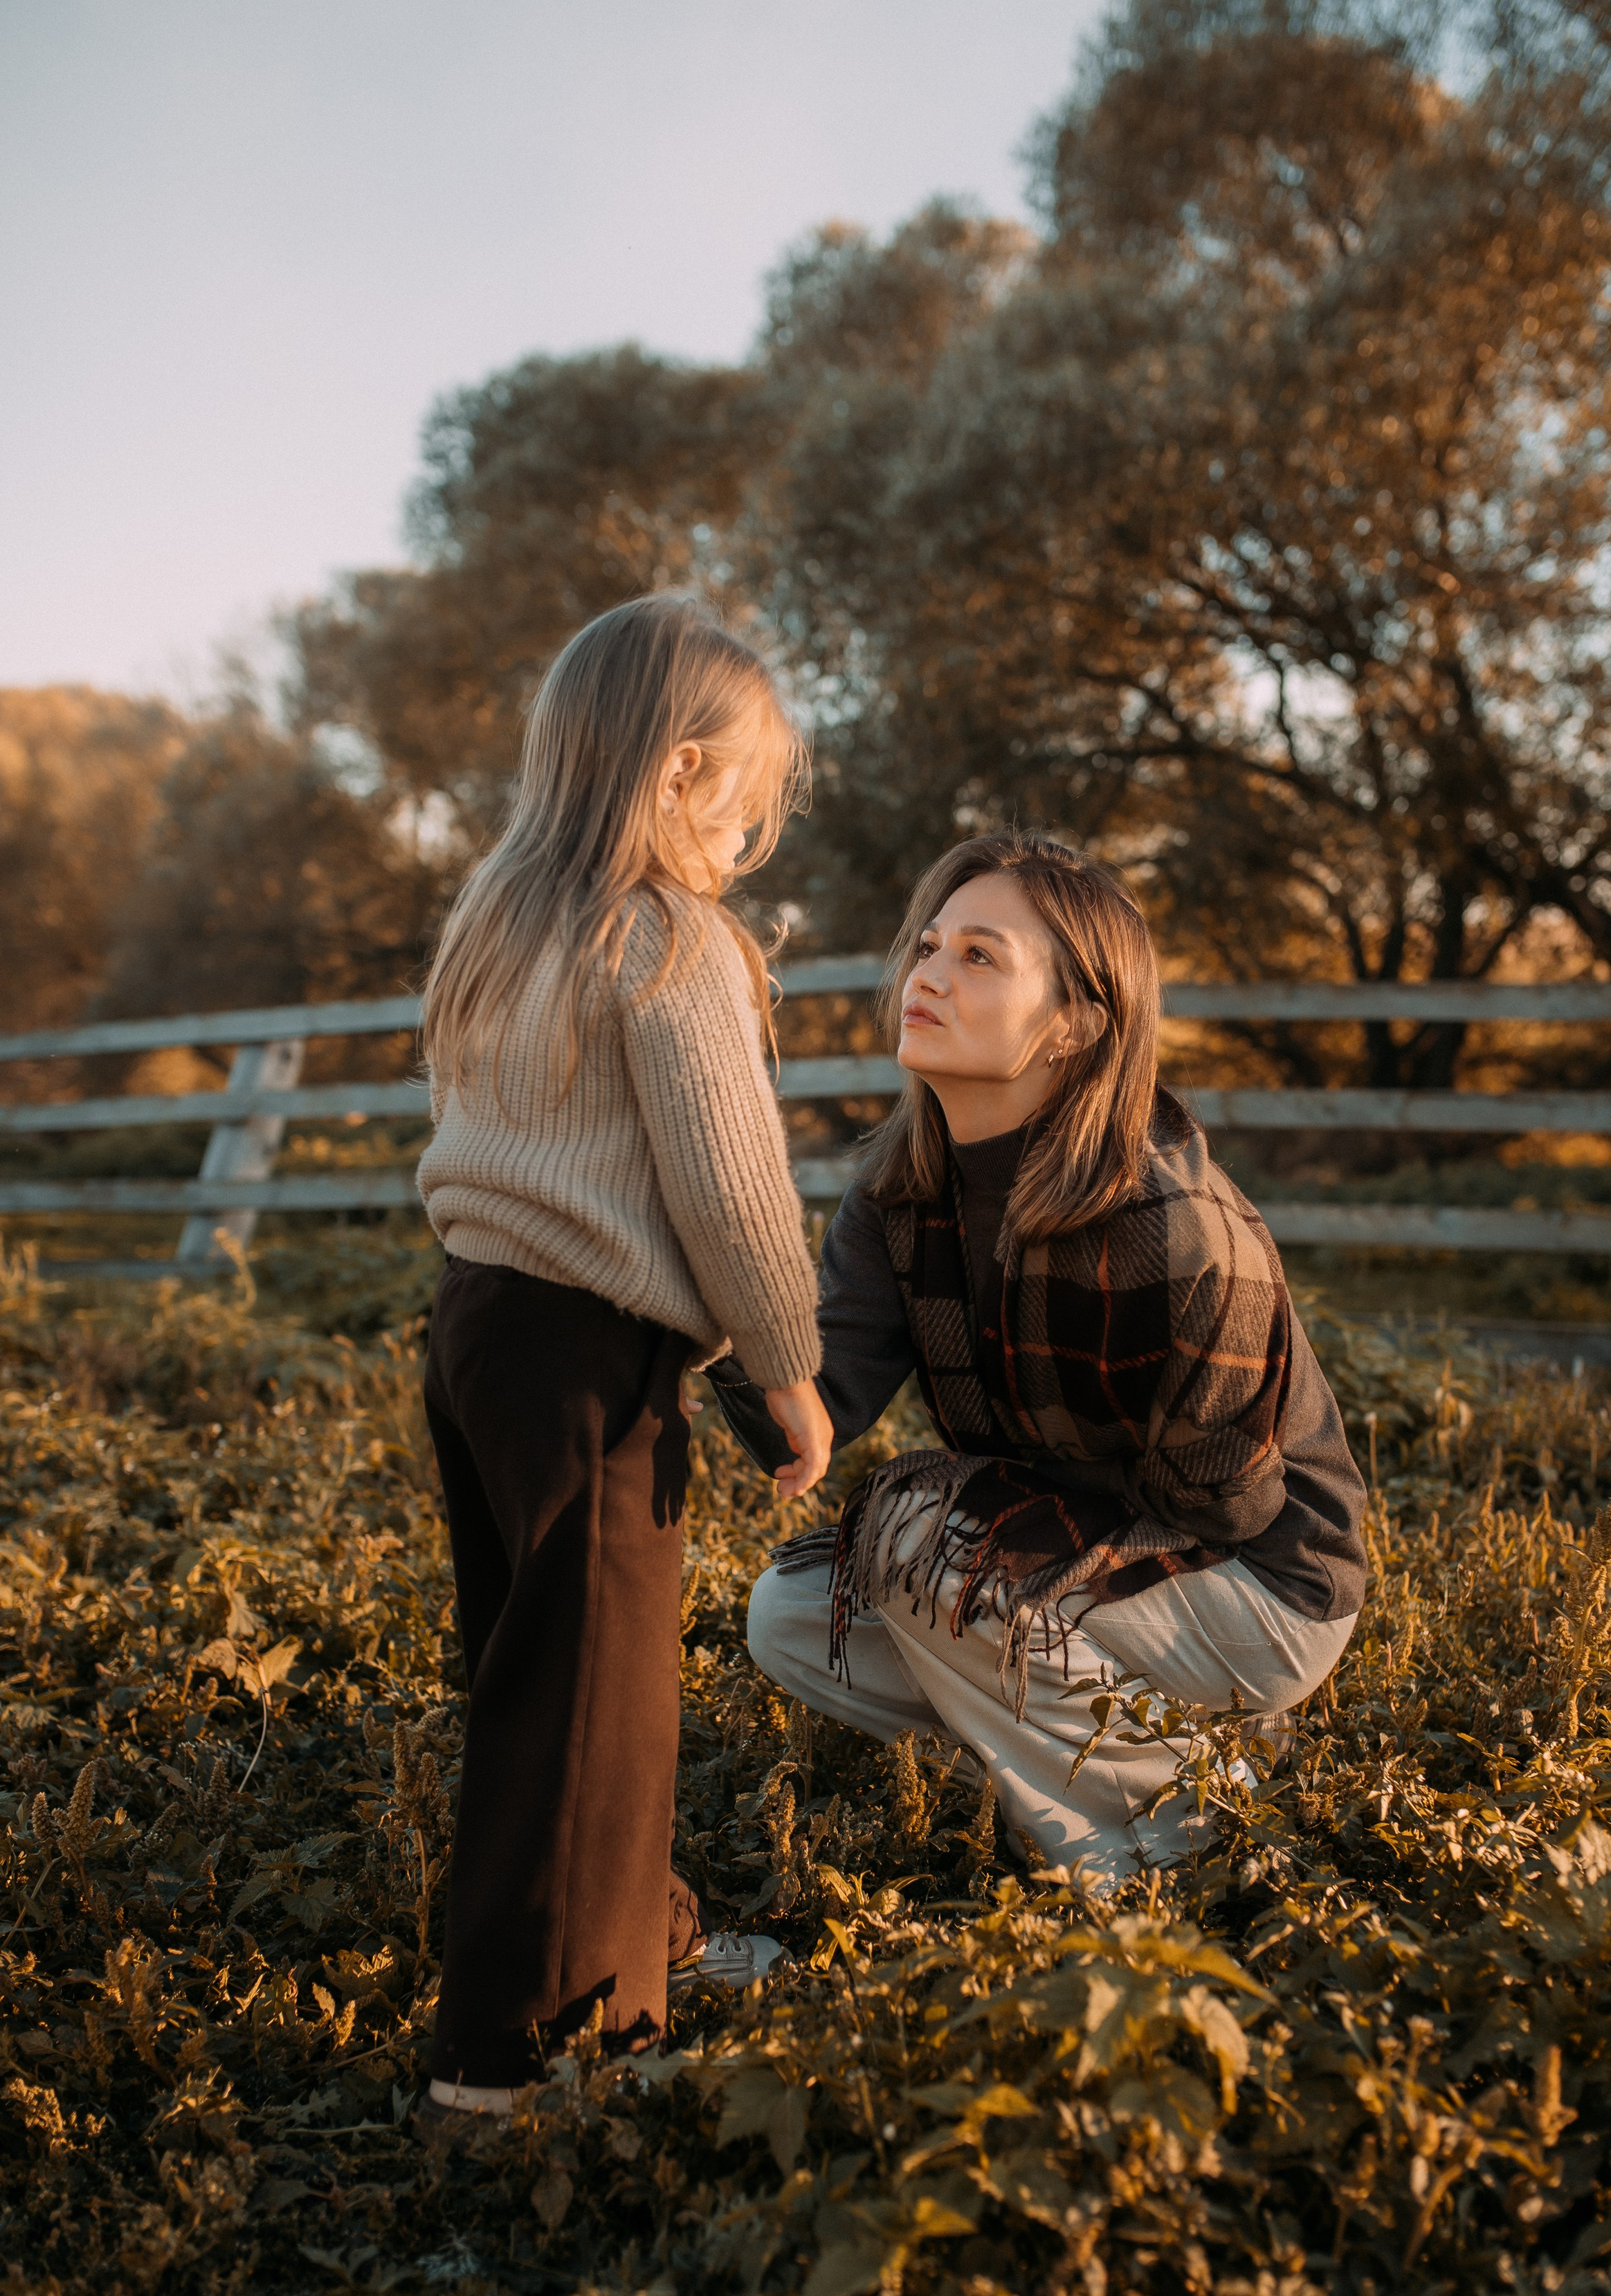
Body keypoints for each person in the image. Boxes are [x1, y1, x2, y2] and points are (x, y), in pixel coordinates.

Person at [716, 831, 1366, 1883]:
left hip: (1261, 1591)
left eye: (980, 956)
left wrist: (993, 1538)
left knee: (926, 1544)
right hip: (1070, 1566)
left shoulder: (1176, 1225)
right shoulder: (897, 1198)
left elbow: (1228, 1511)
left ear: (1074, 1024)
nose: (927, 974)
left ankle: (1185, 1852)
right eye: (929, 946)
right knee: (791, 1619)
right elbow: (817, 1397)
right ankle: (1158, 1758)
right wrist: (695, 1291)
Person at [412, 596, 831, 2135]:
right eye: (745, 802)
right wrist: (782, 1363)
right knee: (591, 1701)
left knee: (535, 1664)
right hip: (585, 1359)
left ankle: (638, 1930)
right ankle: (508, 2069)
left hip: (474, 1326)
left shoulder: (503, 922)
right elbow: (726, 1185)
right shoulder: (666, 938)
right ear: (677, 772)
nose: (748, 839)